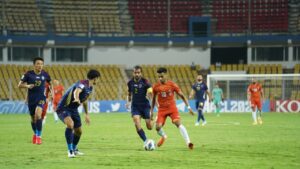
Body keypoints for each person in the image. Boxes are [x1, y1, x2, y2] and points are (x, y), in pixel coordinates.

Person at [56, 69, 100, 158]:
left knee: (79, 131)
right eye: (98, 79)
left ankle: (75, 149)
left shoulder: (90, 88)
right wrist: (76, 98)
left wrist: (86, 114)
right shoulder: (82, 83)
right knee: (70, 125)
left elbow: (84, 101)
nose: (98, 81)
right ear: (95, 78)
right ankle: (70, 151)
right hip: (63, 108)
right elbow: (77, 91)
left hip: (73, 109)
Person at [150, 67, 194, 150]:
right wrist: (151, 111)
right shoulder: (156, 86)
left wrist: (188, 107)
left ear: (166, 75)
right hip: (162, 110)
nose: (160, 78)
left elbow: (182, 95)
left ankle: (188, 142)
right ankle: (164, 136)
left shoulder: (172, 85)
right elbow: (153, 99)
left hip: (172, 108)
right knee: (157, 127)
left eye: (161, 76)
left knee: (177, 122)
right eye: (158, 77)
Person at [18, 57, 51, 144]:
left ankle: (39, 137)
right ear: (34, 65)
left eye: (41, 64)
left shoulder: (45, 74)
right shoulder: (28, 74)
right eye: (38, 64)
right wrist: (27, 86)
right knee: (33, 119)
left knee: (38, 114)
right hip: (32, 99)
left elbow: (50, 84)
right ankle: (36, 134)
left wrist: (49, 95)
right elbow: (19, 85)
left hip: (41, 98)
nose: (40, 66)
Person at [126, 65, 153, 148]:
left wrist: (153, 103)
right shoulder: (130, 82)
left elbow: (150, 93)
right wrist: (128, 102)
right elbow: (129, 93)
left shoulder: (146, 82)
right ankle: (146, 141)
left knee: (149, 127)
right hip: (135, 106)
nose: (137, 74)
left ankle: (154, 120)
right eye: (135, 73)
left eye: (138, 72)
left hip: (145, 106)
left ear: (141, 73)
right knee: (136, 122)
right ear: (133, 73)